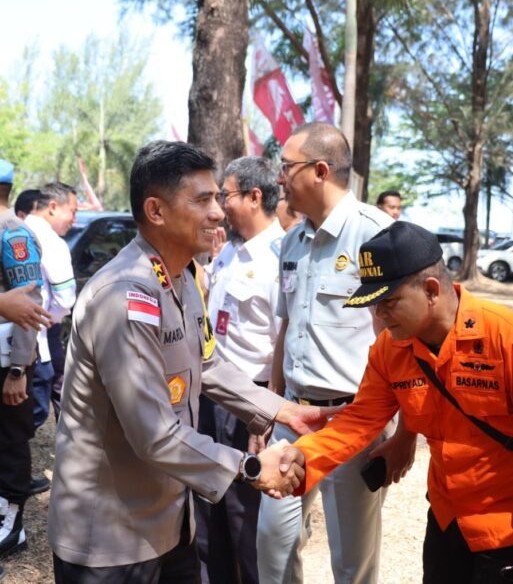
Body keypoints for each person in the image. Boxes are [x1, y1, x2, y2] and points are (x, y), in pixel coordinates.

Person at [47, 141, 333, 583]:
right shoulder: (125, 296)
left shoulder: (179, 280)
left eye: (218, 198)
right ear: (156, 211)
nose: (218, 212)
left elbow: (209, 364)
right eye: (202, 200)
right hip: (110, 537)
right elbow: (154, 434)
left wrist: (284, 411)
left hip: (169, 523)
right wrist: (251, 467)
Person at [274, 221, 513, 583]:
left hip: (511, 530)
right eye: (373, 304)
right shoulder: (391, 349)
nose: (379, 316)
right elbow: (360, 420)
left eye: (389, 302)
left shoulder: (509, 340)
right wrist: (304, 456)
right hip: (447, 523)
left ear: (431, 290)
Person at [257, 123, 410, 584]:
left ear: (320, 170)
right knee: (273, 543)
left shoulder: (378, 237)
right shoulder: (291, 240)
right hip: (294, 420)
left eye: (287, 167)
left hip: (356, 422)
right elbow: (286, 328)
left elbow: (403, 340)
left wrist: (406, 433)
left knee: (352, 561)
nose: (279, 178)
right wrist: (272, 407)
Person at [194, 156, 285, 584]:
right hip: (211, 393)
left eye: (224, 195)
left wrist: (263, 414)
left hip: (250, 397)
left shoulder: (280, 258)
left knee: (244, 518)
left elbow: (279, 345)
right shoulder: (227, 250)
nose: (218, 206)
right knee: (209, 507)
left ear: (254, 196)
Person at [0, 159, 44, 565]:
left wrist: (18, 369)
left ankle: (11, 522)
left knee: (11, 441)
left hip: (7, 362)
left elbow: (29, 305)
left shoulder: (13, 234)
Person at [24, 182, 77, 443]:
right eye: (73, 211)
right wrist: (51, 319)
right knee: (36, 406)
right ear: (54, 207)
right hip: (39, 334)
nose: (74, 220)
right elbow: (65, 298)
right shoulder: (52, 243)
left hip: (14, 333)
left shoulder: (18, 229)